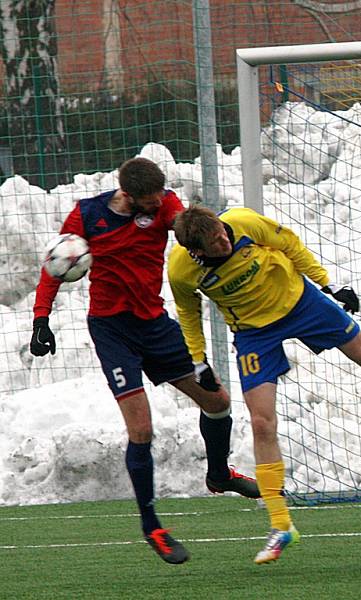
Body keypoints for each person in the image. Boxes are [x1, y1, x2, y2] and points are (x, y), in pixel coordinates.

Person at [168, 204, 361, 565]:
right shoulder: (181, 270)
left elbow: (290, 245)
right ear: (197, 252)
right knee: (261, 422)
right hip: (253, 333)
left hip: (301, 303)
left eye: (224, 235)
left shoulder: (244, 222)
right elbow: (188, 313)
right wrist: (198, 359)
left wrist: (328, 284)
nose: (225, 242)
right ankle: (281, 524)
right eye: (217, 244)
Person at [30, 157, 259, 565]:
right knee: (142, 429)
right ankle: (152, 525)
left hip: (156, 326)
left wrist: (219, 243)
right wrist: (41, 318)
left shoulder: (165, 204)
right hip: (112, 331)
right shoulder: (87, 214)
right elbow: (54, 267)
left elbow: (187, 226)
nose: (158, 208)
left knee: (218, 401)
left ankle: (219, 474)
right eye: (150, 203)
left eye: (160, 200)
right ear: (128, 196)